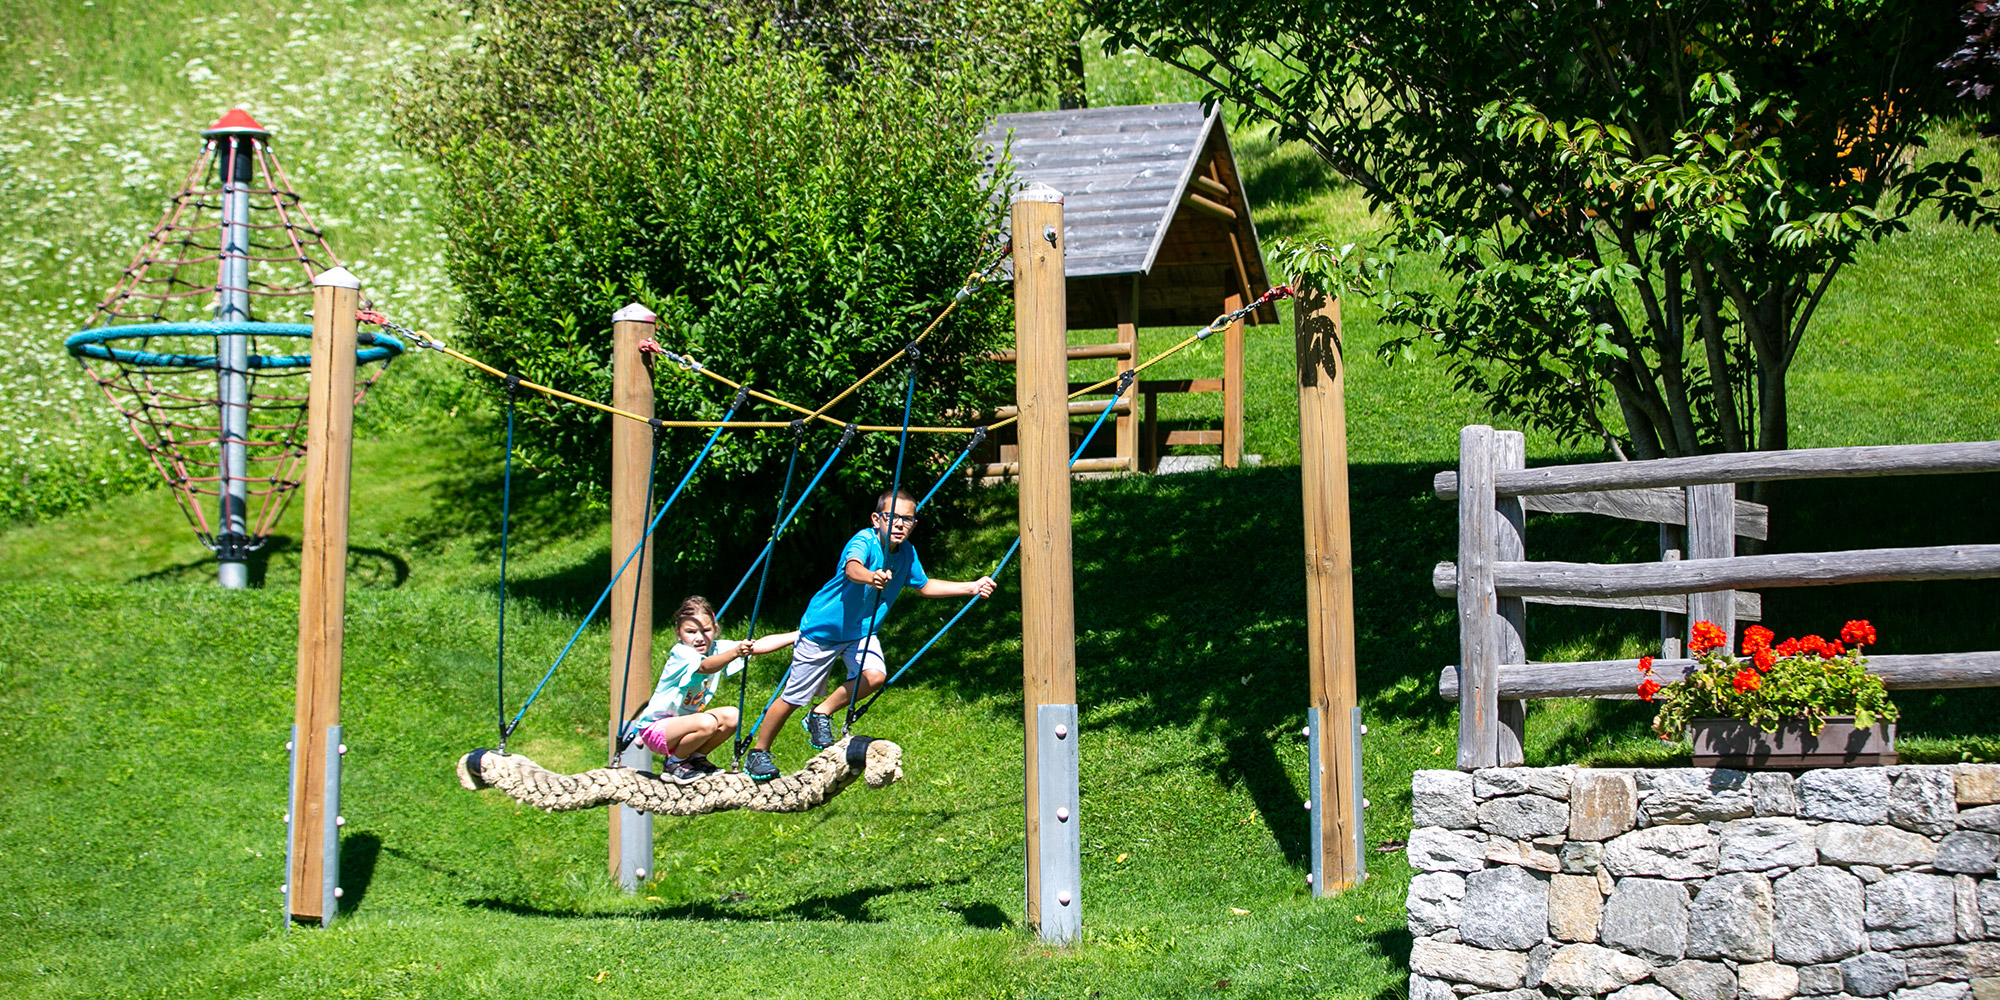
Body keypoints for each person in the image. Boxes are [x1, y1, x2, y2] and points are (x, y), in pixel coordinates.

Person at [742, 488, 997, 780]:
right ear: (877, 519)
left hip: (861, 631)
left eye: (908, 519)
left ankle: (821, 713)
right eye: (893, 517)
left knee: (874, 675)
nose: (901, 524)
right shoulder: (864, 540)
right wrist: (871, 576)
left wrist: (971, 586)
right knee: (795, 695)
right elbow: (852, 568)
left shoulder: (907, 554)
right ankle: (759, 752)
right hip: (823, 630)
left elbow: (924, 586)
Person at [634, 596, 797, 783]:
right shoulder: (681, 653)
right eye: (690, 631)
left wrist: (798, 635)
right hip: (656, 729)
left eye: (706, 630)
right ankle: (674, 764)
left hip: (685, 726)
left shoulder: (717, 648)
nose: (699, 637)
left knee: (732, 716)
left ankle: (694, 758)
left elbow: (756, 645)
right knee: (707, 723)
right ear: (678, 634)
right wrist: (735, 652)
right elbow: (706, 667)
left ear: (715, 629)